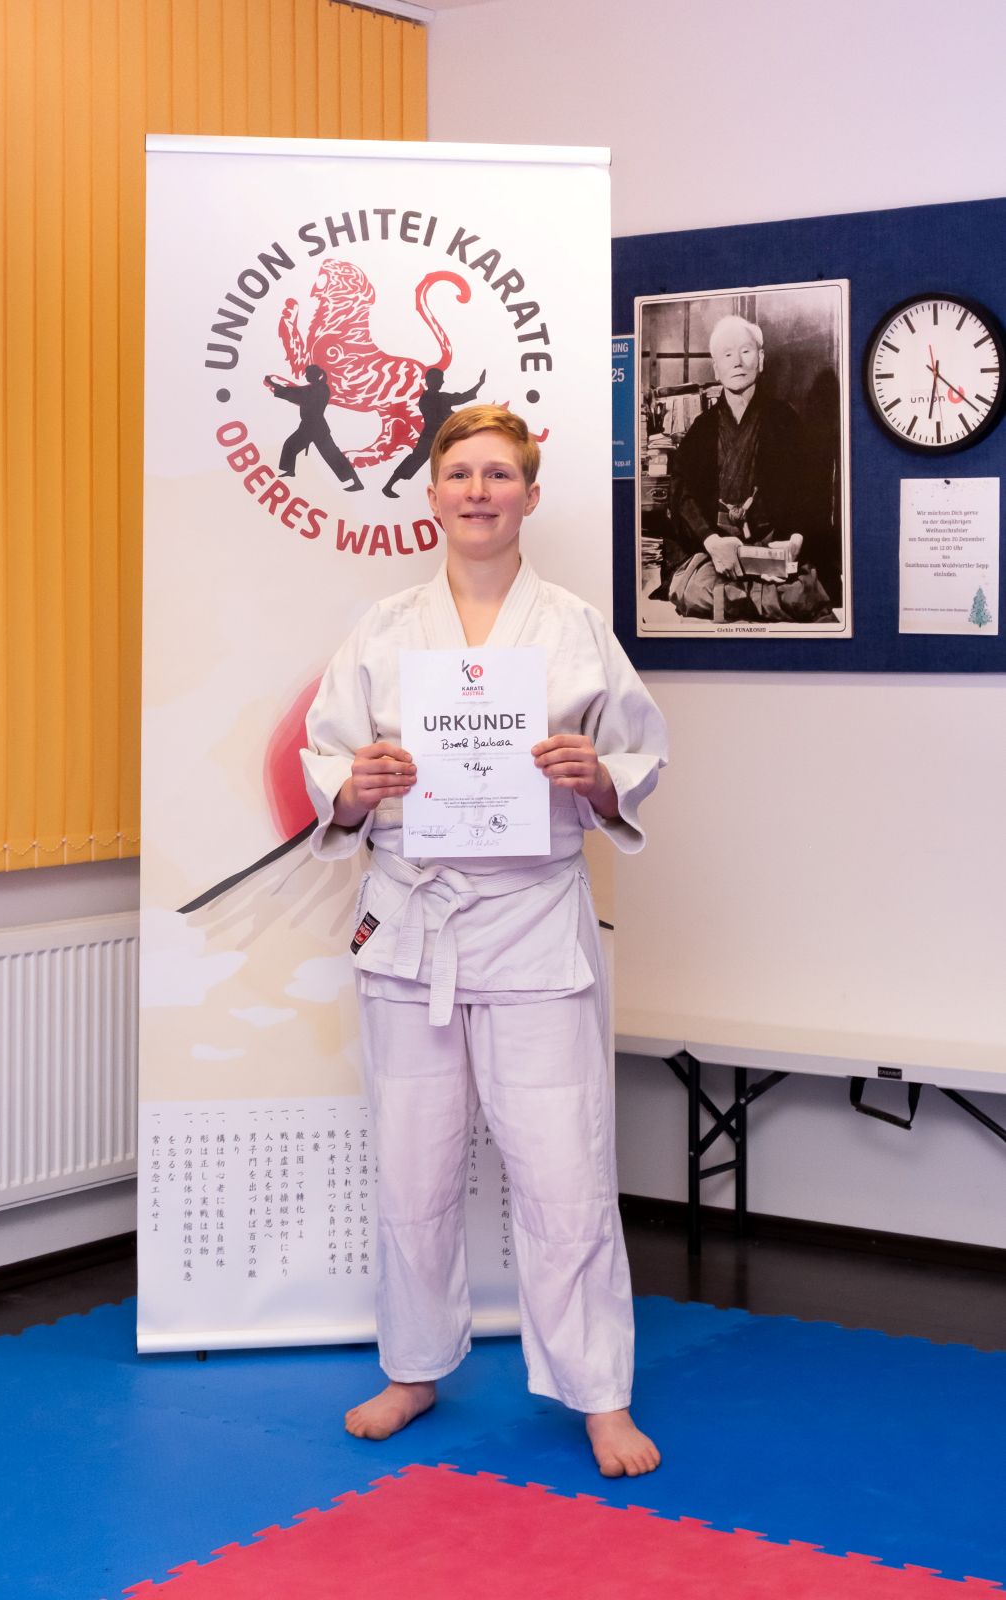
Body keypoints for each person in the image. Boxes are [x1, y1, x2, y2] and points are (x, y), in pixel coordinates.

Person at [301, 405, 668, 1478]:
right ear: (430, 494)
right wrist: (355, 787)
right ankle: (413, 1367)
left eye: (498, 474)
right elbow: (330, 764)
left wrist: (596, 778)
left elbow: (637, 755)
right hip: (411, 916)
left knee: (564, 1168)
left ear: (529, 494)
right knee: (411, 1165)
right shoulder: (381, 630)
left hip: (533, 916)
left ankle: (598, 1393)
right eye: (458, 472)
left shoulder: (575, 628)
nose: (477, 491)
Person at [667, 315, 834, 622]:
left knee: (800, 595)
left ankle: (747, 598)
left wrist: (795, 540)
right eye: (727, 355)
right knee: (694, 590)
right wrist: (711, 541)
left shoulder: (786, 420)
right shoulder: (702, 428)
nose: (737, 362)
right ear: (716, 368)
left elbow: (812, 488)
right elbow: (682, 493)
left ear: (761, 359)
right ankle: (749, 598)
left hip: (771, 546)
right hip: (720, 552)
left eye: (745, 351)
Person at [381, 365, 486, 498]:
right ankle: (388, 486)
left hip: (440, 435)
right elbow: (436, 417)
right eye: (441, 379)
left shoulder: (439, 397)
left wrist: (479, 384)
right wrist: (453, 418)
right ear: (433, 381)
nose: (443, 382)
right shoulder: (430, 399)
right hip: (431, 437)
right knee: (414, 461)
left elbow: (463, 397)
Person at [265, 364, 363, 491]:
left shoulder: (318, 390)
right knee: (290, 445)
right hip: (309, 427)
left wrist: (273, 383)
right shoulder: (318, 388)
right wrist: (273, 384)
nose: (306, 376)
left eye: (307, 374)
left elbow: (293, 392)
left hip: (316, 428)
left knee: (333, 455)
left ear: (314, 375)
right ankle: (290, 470)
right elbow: (295, 392)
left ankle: (357, 482)